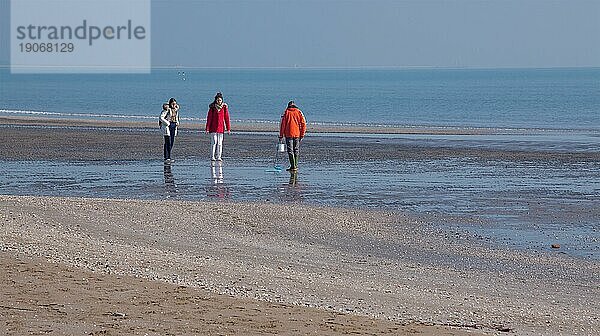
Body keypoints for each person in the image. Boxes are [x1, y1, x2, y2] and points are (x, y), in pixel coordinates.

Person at [279, 100, 306, 172]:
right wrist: (302, 134)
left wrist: (281, 135)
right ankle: (295, 166)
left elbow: (282, 125)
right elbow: (303, 124)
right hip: (297, 134)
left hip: (288, 134)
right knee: (296, 149)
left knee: (290, 150)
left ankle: (293, 166)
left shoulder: (285, 112)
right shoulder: (299, 112)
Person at [205, 92, 231, 161]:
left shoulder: (224, 108)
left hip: (221, 128)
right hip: (213, 128)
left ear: (222, 100)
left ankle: (219, 156)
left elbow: (227, 118)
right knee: (214, 142)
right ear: (216, 100)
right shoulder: (212, 108)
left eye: (220, 100)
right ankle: (212, 156)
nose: (219, 101)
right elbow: (209, 118)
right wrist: (207, 128)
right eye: (218, 100)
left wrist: (228, 128)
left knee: (220, 143)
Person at [159, 98, 180, 163]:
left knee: (172, 142)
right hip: (168, 126)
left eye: (175, 104)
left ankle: (168, 156)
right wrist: (167, 123)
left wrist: (177, 122)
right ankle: (167, 157)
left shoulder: (176, 110)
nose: (174, 105)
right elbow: (161, 117)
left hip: (174, 126)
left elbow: (176, 117)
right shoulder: (167, 110)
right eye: (173, 104)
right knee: (168, 142)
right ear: (170, 104)